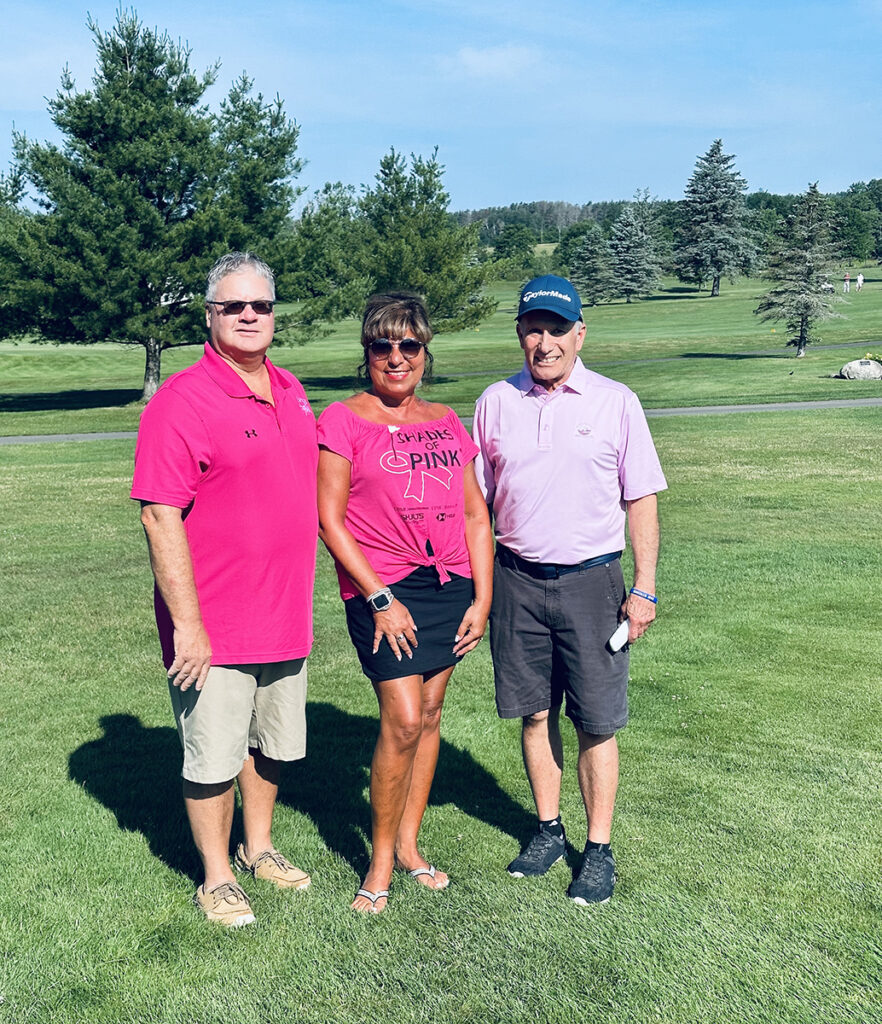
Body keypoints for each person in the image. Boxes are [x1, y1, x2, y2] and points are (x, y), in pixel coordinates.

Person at [131, 252, 318, 927]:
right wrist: (188, 624)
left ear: (273, 316)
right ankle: (215, 878)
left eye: (260, 306)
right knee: (213, 755)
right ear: (209, 315)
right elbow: (159, 513)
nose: (248, 315)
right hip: (214, 622)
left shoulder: (293, 390)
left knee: (272, 745)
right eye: (234, 306)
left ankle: (258, 848)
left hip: (285, 613)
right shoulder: (183, 400)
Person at [473, 274, 667, 905]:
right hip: (517, 582)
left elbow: (640, 499)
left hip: (593, 584)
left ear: (580, 334)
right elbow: (478, 506)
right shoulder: (494, 402)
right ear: (520, 333)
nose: (545, 341)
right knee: (534, 712)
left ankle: (600, 850)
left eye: (558, 329)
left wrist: (645, 589)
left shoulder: (616, 402)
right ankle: (549, 829)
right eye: (534, 328)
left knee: (596, 722)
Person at [317, 292, 493, 913]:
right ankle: (381, 858)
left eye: (408, 345)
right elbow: (330, 521)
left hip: (451, 589)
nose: (396, 358)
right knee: (404, 718)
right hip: (383, 589)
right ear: (366, 352)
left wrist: (485, 598)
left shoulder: (447, 420)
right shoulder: (342, 419)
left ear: (425, 352)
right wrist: (381, 599)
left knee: (433, 712)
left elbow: (476, 515)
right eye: (382, 346)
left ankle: (411, 845)